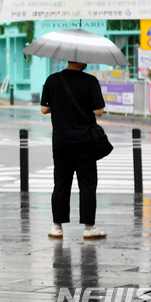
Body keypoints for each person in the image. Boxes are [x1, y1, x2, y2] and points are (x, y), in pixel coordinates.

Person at [41, 61, 107, 239]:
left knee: (61, 182)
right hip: (84, 141)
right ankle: (88, 228)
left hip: (61, 141)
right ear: (82, 60)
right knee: (87, 183)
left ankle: (57, 227)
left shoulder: (52, 80)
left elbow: (44, 108)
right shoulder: (89, 81)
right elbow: (99, 111)